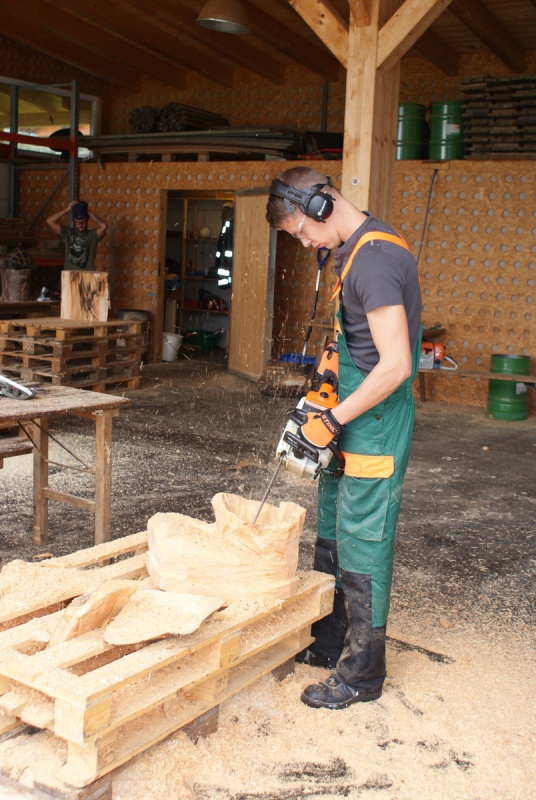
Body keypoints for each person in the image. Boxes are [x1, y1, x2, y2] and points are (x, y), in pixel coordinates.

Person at [266, 167, 422, 710]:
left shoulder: (374, 260)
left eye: (300, 231)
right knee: (333, 523)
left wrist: (332, 421)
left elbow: (396, 365)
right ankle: (330, 639)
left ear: (320, 206)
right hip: (352, 408)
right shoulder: (352, 250)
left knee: (363, 539)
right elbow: (356, 339)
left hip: (374, 422)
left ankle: (362, 672)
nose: (304, 242)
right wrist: (326, 384)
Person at [46, 200, 108, 270]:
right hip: (69, 274)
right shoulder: (67, 232)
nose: (80, 225)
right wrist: (67, 210)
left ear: (87, 221)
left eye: (83, 222)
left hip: (87, 274)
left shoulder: (92, 235)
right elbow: (50, 221)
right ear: (74, 222)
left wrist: (89, 212)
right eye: (78, 222)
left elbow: (104, 226)